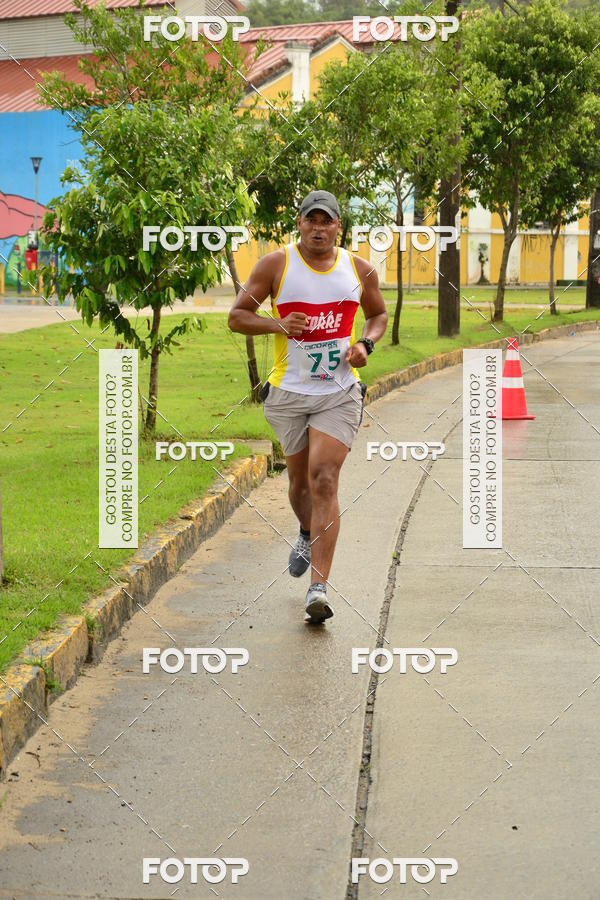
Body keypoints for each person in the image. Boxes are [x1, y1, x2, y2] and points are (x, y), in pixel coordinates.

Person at [228, 191, 388, 622]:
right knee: (299, 485)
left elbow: (377, 315)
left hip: (338, 391)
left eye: (326, 221)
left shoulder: (359, 269)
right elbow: (237, 317)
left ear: (339, 227)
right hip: (288, 392)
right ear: (298, 223)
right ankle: (305, 529)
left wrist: (365, 344)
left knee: (324, 478)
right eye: (311, 220)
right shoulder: (275, 265)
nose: (318, 228)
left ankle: (318, 588)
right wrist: (277, 324)